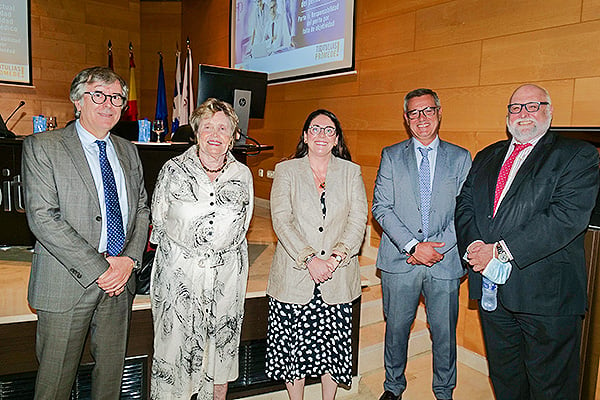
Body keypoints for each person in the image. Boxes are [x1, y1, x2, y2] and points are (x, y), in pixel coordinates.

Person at [455, 84, 600, 399]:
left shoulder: (576, 155)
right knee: (506, 380)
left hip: (547, 298)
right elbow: (465, 205)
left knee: (551, 387)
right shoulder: (487, 155)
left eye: (532, 106)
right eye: (515, 108)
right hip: (493, 294)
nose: (523, 114)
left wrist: (500, 251)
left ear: (549, 110)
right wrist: (473, 248)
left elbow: (565, 217)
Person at [22, 66, 150, 399]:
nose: (108, 104)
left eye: (116, 98)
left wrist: (129, 260)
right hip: (67, 284)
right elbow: (43, 218)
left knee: (110, 383)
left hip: (119, 284)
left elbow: (141, 210)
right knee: (55, 386)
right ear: (78, 101)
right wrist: (102, 268)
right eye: (98, 95)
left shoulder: (129, 150)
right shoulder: (43, 147)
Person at [149, 98, 254, 400]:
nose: (215, 134)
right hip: (179, 276)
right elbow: (158, 220)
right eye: (207, 126)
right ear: (195, 131)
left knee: (219, 349)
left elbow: (242, 226)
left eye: (223, 128)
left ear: (234, 135)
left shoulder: (242, 175)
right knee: (174, 350)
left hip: (225, 280)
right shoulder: (173, 170)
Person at [372, 88, 472, 400]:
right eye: (414, 113)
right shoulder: (391, 155)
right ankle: (393, 388)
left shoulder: (460, 157)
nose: (421, 118)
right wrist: (414, 247)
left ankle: (444, 391)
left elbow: (465, 211)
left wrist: (433, 249)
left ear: (439, 113)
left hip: (445, 260)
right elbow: (381, 208)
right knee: (396, 331)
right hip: (401, 262)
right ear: (406, 119)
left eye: (427, 110)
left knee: (444, 334)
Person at [265, 109, 368, 399]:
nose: (321, 134)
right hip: (295, 276)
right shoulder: (287, 171)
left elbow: (358, 220)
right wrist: (310, 259)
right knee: (292, 355)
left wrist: (335, 259)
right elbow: (281, 219)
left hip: (337, 277)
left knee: (331, 353)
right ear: (306, 136)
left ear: (336, 139)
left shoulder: (351, 172)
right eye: (315, 128)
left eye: (328, 130)